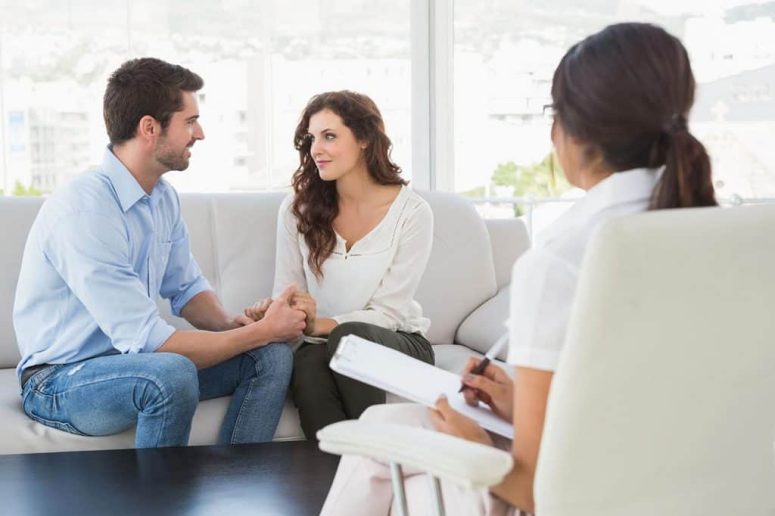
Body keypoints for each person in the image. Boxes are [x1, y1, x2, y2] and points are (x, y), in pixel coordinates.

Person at [320, 22, 718, 515]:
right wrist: (516, 405)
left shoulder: (564, 260)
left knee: (379, 452)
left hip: (597, 495)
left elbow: (539, 494)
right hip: (697, 481)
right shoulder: (723, 236)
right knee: (385, 428)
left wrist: (473, 444)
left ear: (567, 129)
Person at [13, 57, 307, 448]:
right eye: (189, 121)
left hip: (132, 366)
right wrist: (260, 331)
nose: (199, 133)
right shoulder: (85, 210)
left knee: (269, 357)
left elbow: (185, 288)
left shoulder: (162, 198)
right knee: (170, 374)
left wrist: (235, 325)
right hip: (60, 381)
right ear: (149, 128)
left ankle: (237, 484)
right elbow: (151, 343)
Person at [245, 91, 435, 440]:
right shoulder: (296, 209)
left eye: (329, 136)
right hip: (319, 343)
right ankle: (338, 480)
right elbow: (287, 292)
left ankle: (382, 462)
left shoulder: (412, 213)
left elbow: (388, 314)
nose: (316, 148)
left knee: (350, 338)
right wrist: (276, 312)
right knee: (307, 363)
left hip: (397, 340)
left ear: (364, 138)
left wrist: (320, 324)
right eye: (311, 138)